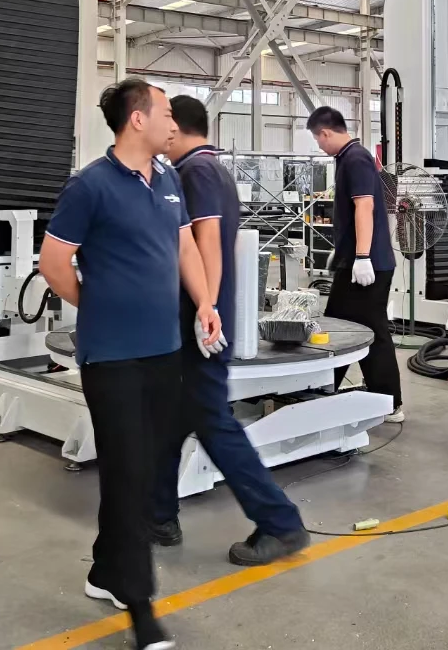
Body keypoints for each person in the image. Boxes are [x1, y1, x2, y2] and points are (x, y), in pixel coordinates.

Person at [38, 77, 220, 650]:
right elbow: (52, 262)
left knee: (143, 464)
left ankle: (104, 570)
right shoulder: (89, 186)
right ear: (137, 119)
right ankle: (141, 608)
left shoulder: (168, 179)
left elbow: (185, 246)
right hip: (112, 356)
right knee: (129, 473)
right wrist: (97, 303)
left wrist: (206, 302)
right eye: (165, 113)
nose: (174, 123)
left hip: (163, 349)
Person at [151, 96, 309, 566]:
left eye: (165, 122)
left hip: (199, 323)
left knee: (213, 420)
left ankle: (280, 523)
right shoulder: (209, 169)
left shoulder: (196, 172)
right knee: (168, 416)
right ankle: (158, 514)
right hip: (196, 319)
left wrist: (206, 309)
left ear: (177, 128)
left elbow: (206, 246)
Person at [306, 106, 404, 422]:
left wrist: (362, 257)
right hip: (356, 261)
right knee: (345, 325)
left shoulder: (356, 158)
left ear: (325, 133)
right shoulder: (347, 158)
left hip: (367, 265)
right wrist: (344, 251)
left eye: (318, 139)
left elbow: (365, 207)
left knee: (363, 329)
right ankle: (323, 390)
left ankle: (386, 401)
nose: (319, 145)